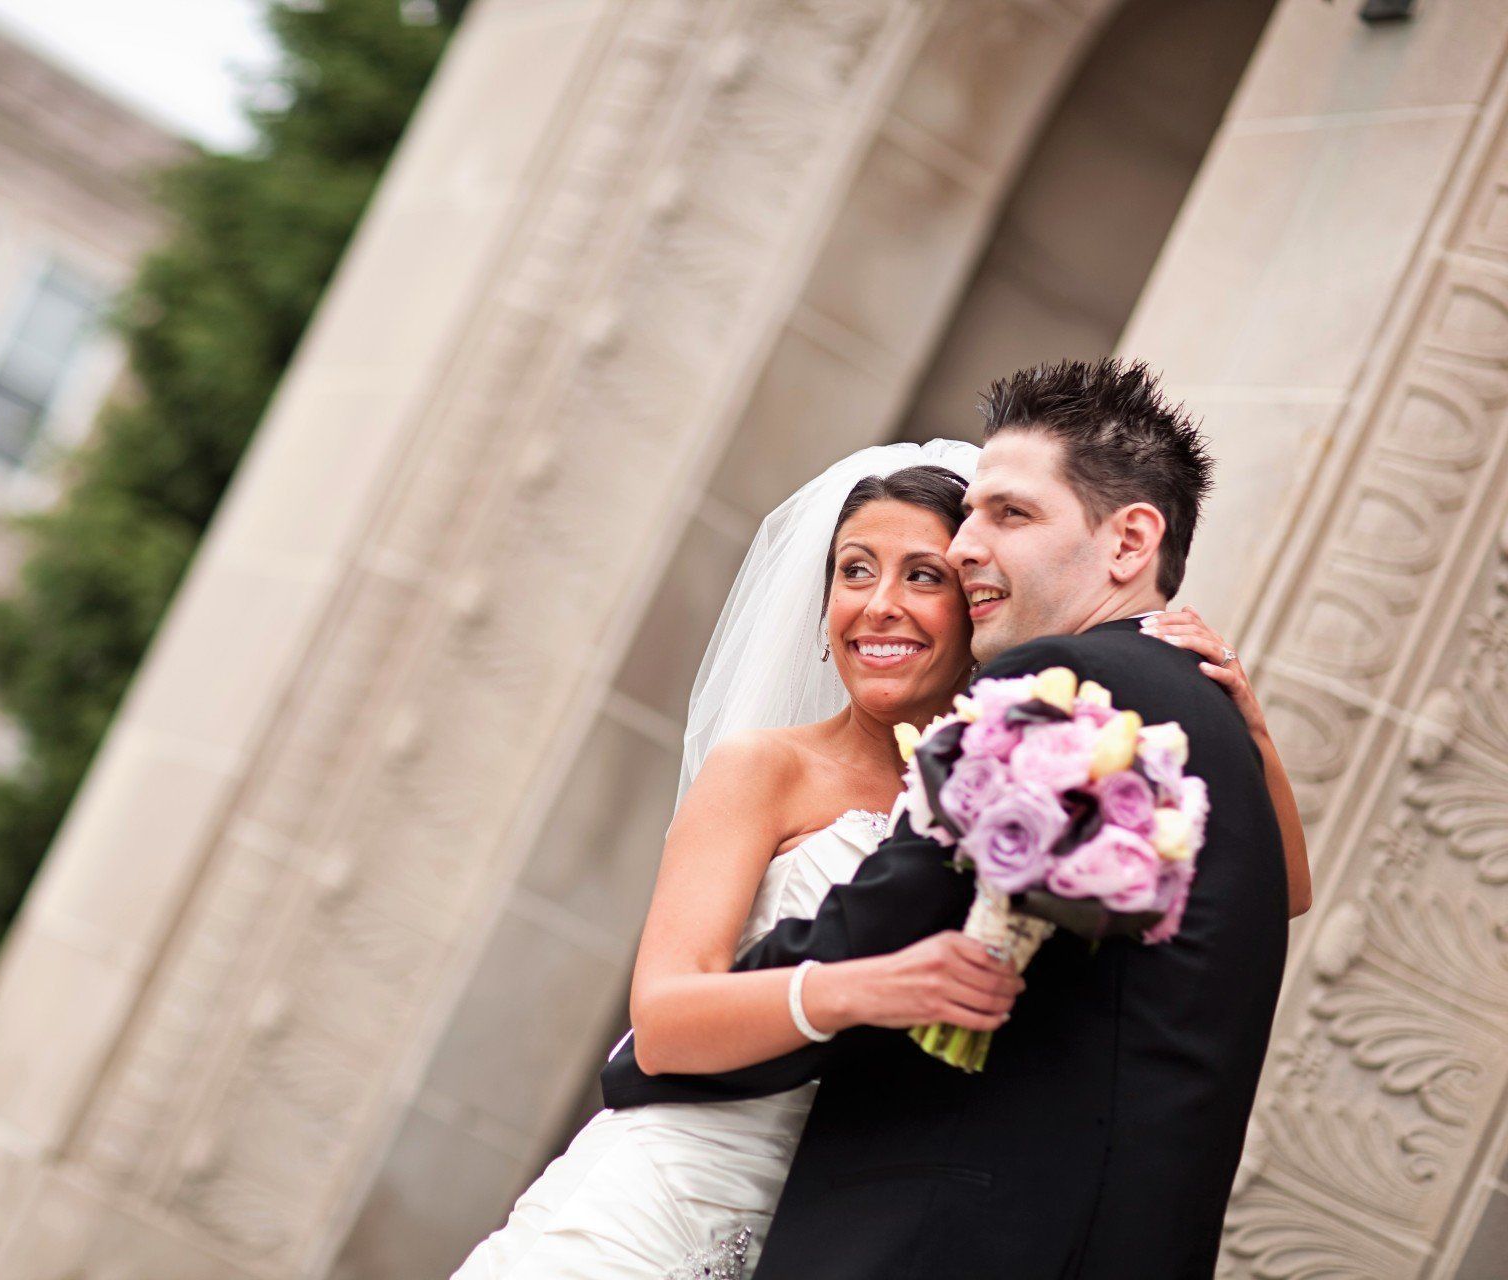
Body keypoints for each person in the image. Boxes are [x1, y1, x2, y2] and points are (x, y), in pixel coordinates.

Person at [456, 394, 1305, 1275]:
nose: (880, 606)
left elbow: (1266, 887)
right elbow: (664, 1019)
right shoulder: (764, 769)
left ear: (977, 600)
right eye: (854, 571)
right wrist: (870, 987)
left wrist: (1250, 737)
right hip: (670, 1194)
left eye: (924, 576)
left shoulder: (1026, 756)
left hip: (831, 1206)